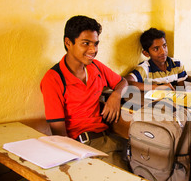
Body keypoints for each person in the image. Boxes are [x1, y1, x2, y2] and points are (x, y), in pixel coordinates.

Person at [40, 15, 128, 169]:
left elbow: (123, 82)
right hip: (84, 144)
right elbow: (59, 133)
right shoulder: (54, 79)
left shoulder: (96, 67)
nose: (93, 50)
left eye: (95, 43)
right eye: (86, 44)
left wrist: (116, 95)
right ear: (68, 43)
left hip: (109, 138)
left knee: (149, 158)